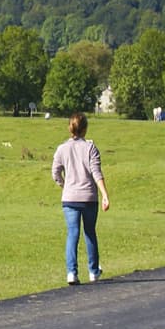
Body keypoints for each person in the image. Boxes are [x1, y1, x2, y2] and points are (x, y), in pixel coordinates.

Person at [52, 113, 112, 285]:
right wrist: (105, 194)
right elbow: (96, 173)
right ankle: (93, 271)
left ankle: (72, 272)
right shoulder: (90, 148)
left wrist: (64, 185)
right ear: (85, 128)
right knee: (90, 233)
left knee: (73, 233)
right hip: (88, 197)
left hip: (69, 198)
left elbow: (55, 172)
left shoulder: (62, 148)